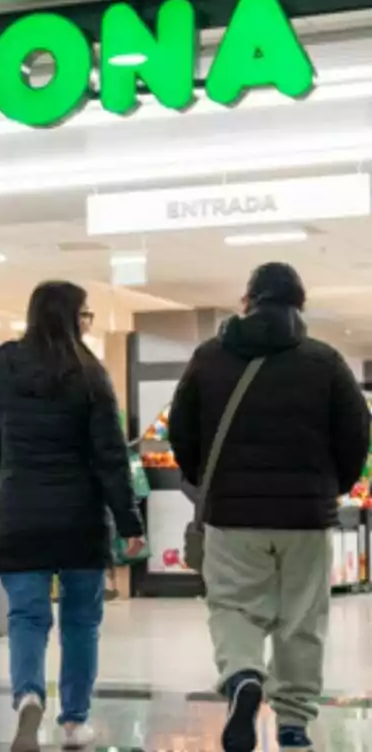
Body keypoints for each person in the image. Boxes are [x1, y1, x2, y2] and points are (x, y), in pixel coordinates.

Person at [167, 262, 369, 752]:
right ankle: (294, 723)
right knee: (302, 619)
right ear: (299, 304)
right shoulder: (325, 362)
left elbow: (181, 429)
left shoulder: (209, 358)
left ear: (247, 300)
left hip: (231, 515)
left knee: (233, 605)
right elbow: (357, 434)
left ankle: (241, 677)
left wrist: (205, 485)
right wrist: (332, 488)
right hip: (305, 516)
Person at [0, 280, 144, 752]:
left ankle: (28, 695)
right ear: (73, 318)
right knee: (80, 622)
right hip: (80, 517)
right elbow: (111, 456)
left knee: (27, 616)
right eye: (86, 315)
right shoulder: (90, 375)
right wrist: (129, 523)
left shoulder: (1, 371)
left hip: (20, 514)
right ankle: (74, 721)